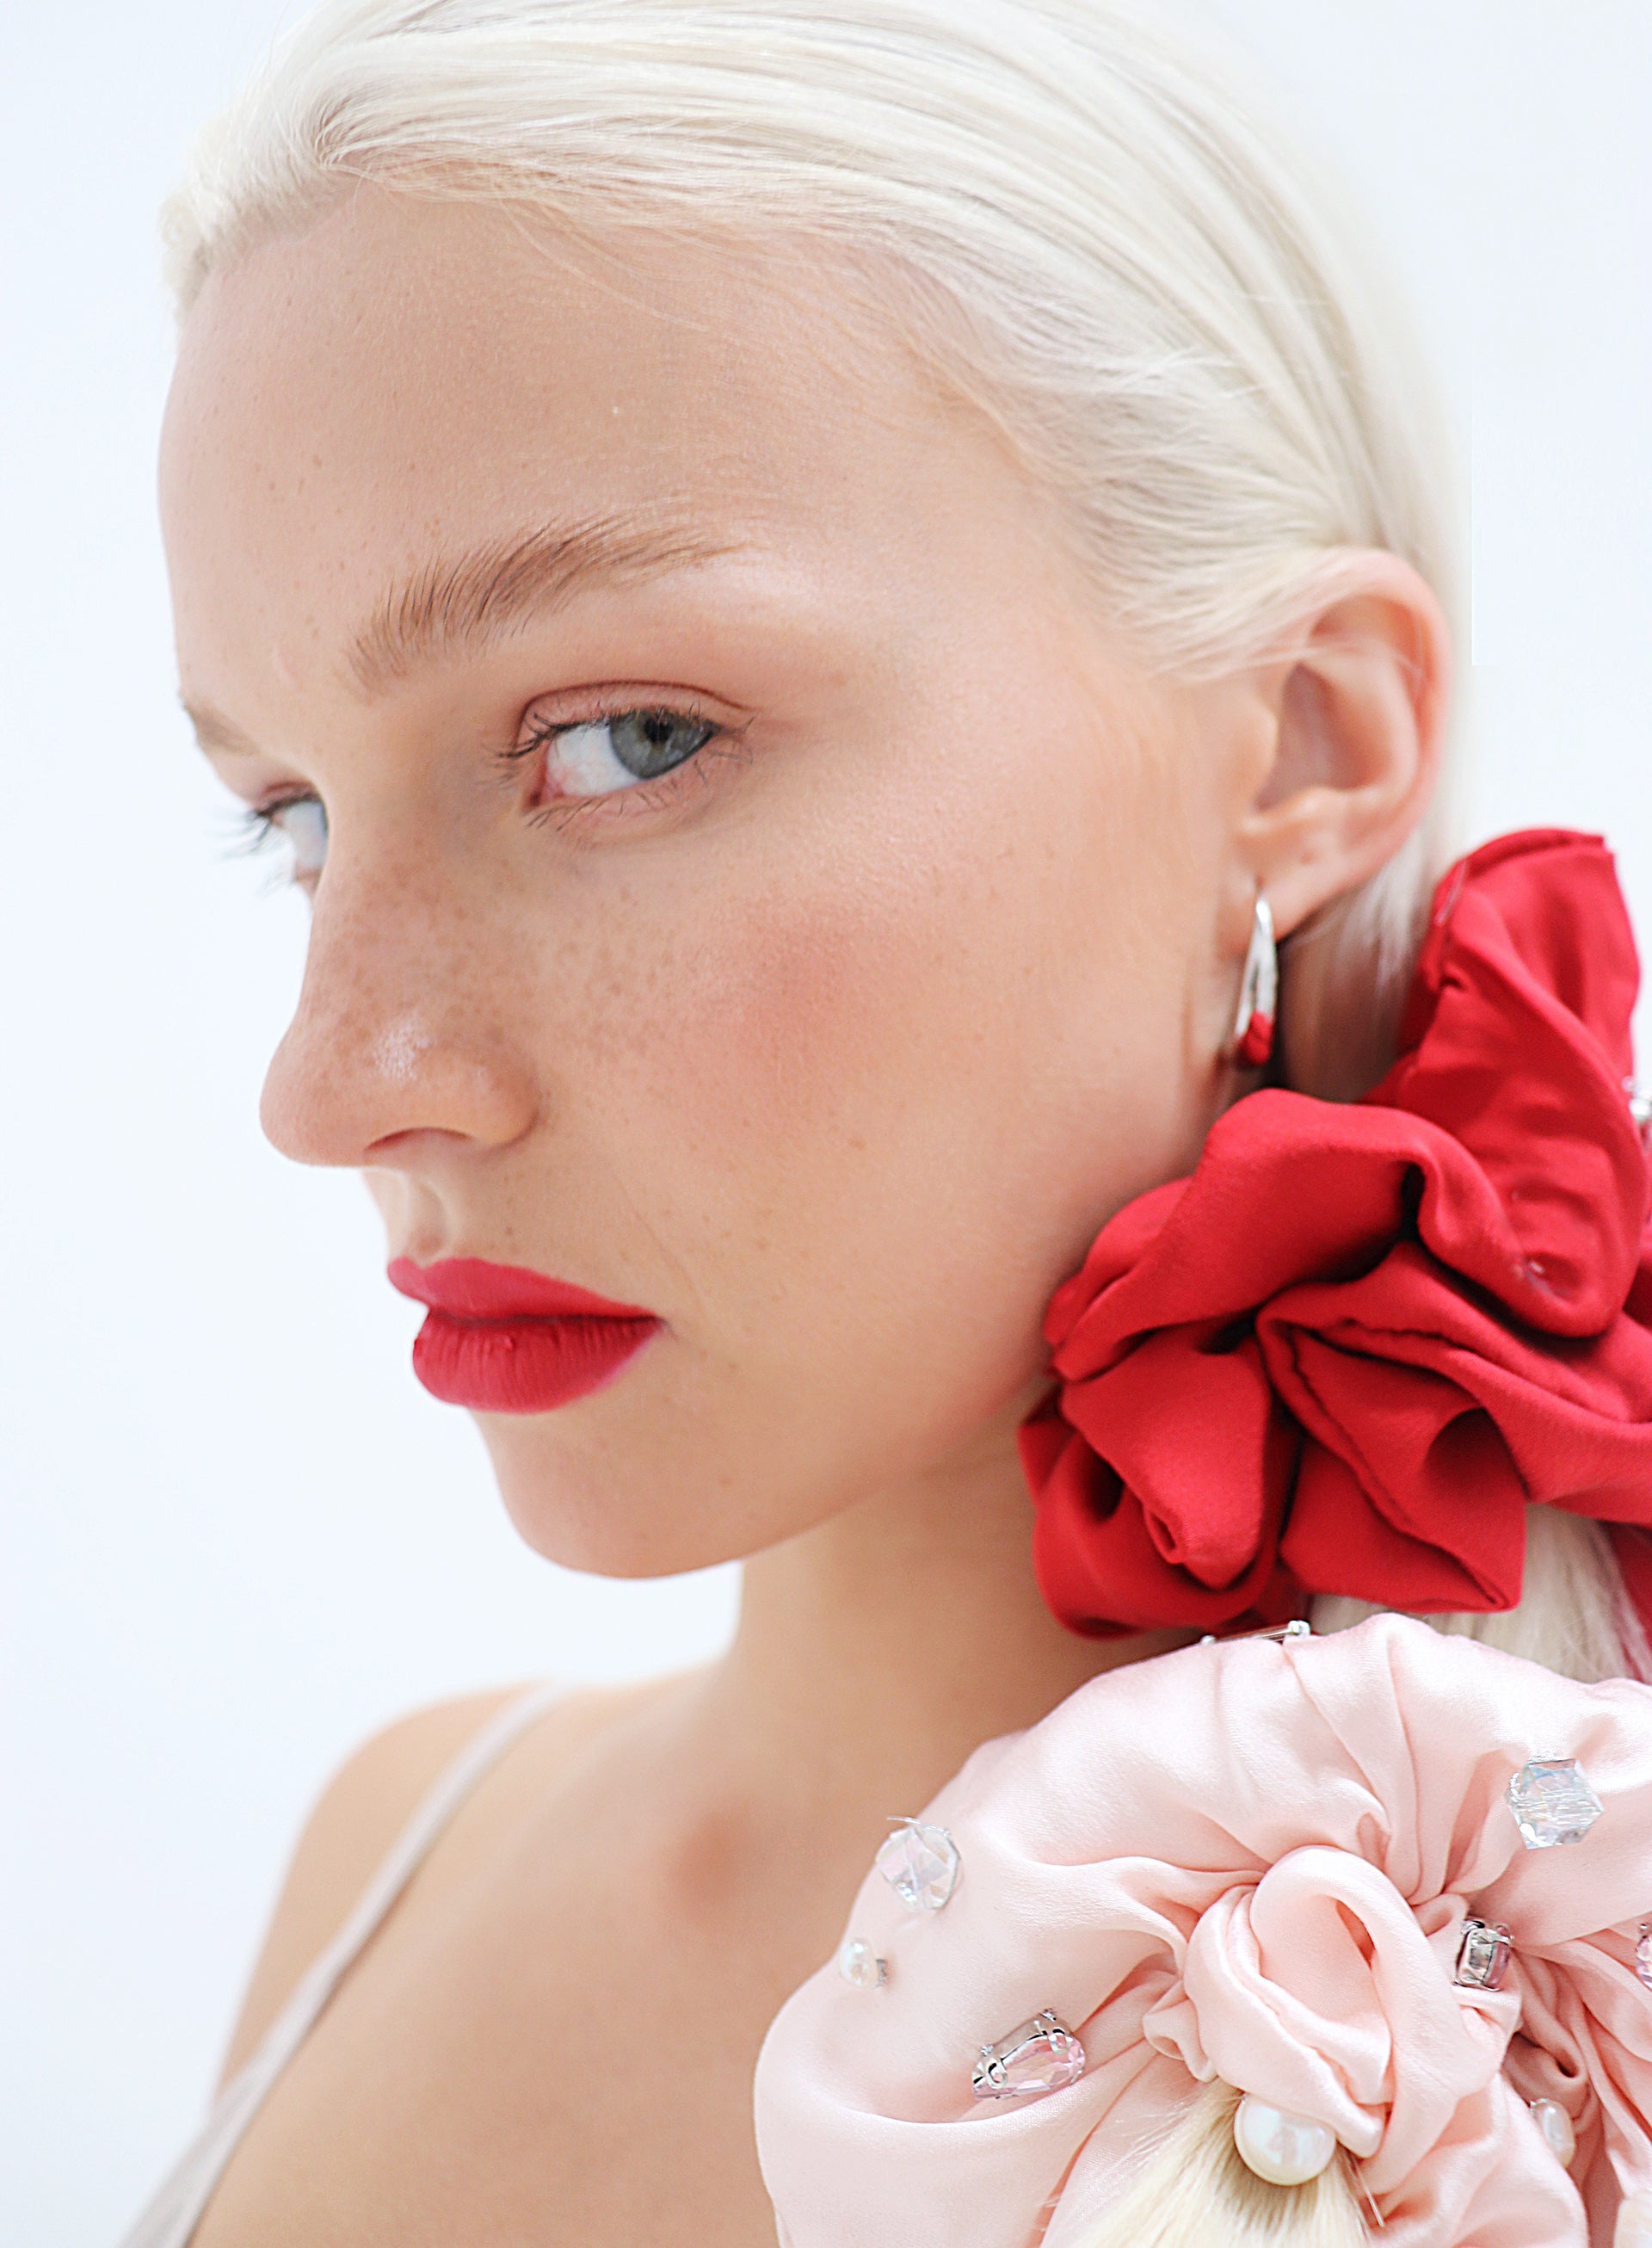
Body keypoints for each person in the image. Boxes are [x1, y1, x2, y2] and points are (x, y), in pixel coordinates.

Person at [124, 2, 1652, 2243]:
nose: (337, 1081)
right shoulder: (399, 1842)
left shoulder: (1557, 2040)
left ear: (1307, 744)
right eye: (292, 813)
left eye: (627, 738)